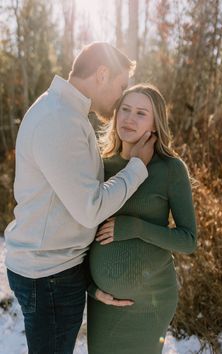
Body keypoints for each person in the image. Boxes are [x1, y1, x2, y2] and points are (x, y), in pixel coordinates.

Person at [4, 43, 157, 354]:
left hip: (55, 271)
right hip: (48, 278)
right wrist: (138, 166)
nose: (120, 100)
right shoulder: (58, 119)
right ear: (102, 74)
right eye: (121, 87)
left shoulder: (64, 111)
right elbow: (90, 209)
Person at [87, 83, 197, 354]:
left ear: (155, 123)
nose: (128, 118)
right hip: (103, 302)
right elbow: (78, 236)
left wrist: (134, 227)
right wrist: (91, 288)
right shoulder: (98, 165)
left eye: (140, 113)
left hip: (151, 302)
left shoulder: (170, 169)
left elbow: (188, 240)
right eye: (124, 109)